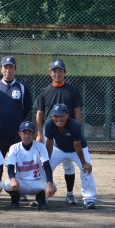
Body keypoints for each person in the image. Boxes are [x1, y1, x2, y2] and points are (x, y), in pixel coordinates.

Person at [35, 59, 84, 206]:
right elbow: (39, 113)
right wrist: (39, 134)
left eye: (60, 71)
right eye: (54, 71)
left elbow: (77, 111)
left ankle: (69, 194)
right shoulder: (44, 91)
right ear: (50, 73)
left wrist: (78, 130)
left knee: (68, 163)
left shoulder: (72, 90)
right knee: (45, 162)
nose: (57, 73)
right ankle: (42, 195)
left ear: (65, 72)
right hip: (49, 130)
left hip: (68, 130)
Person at [45, 104, 98, 209]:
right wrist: (47, 160)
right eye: (55, 116)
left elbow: (77, 145)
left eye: (61, 115)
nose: (58, 119)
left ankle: (89, 199)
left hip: (77, 150)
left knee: (87, 170)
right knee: (45, 169)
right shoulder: (49, 124)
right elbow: (49, 143)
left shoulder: (75, 125)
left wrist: (84, 163)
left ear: (67, 115)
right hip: (59, 149)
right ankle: (42, 197)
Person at [3, 121, 56, 209]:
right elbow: (11, 166)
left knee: (53, 186)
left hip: (37, 181)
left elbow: (47, 166)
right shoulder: (14, 147)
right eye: (24, 133)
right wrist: (12, 179)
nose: (26, 136)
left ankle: (41, 197)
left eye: (29, 133)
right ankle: (15, 198)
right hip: (21, 182)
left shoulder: (40, 146)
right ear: (19, 134)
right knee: (7, 184)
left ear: (34, 134)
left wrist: (49, 183)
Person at [0, 56, 33, 159]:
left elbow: (28, 107)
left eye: (11, 67)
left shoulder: (22, 87)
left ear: (15, 69)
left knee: (18, 162)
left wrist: (18, 118)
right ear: (1, 69)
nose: (8, 70)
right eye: (5, 67)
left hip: (16, 132)